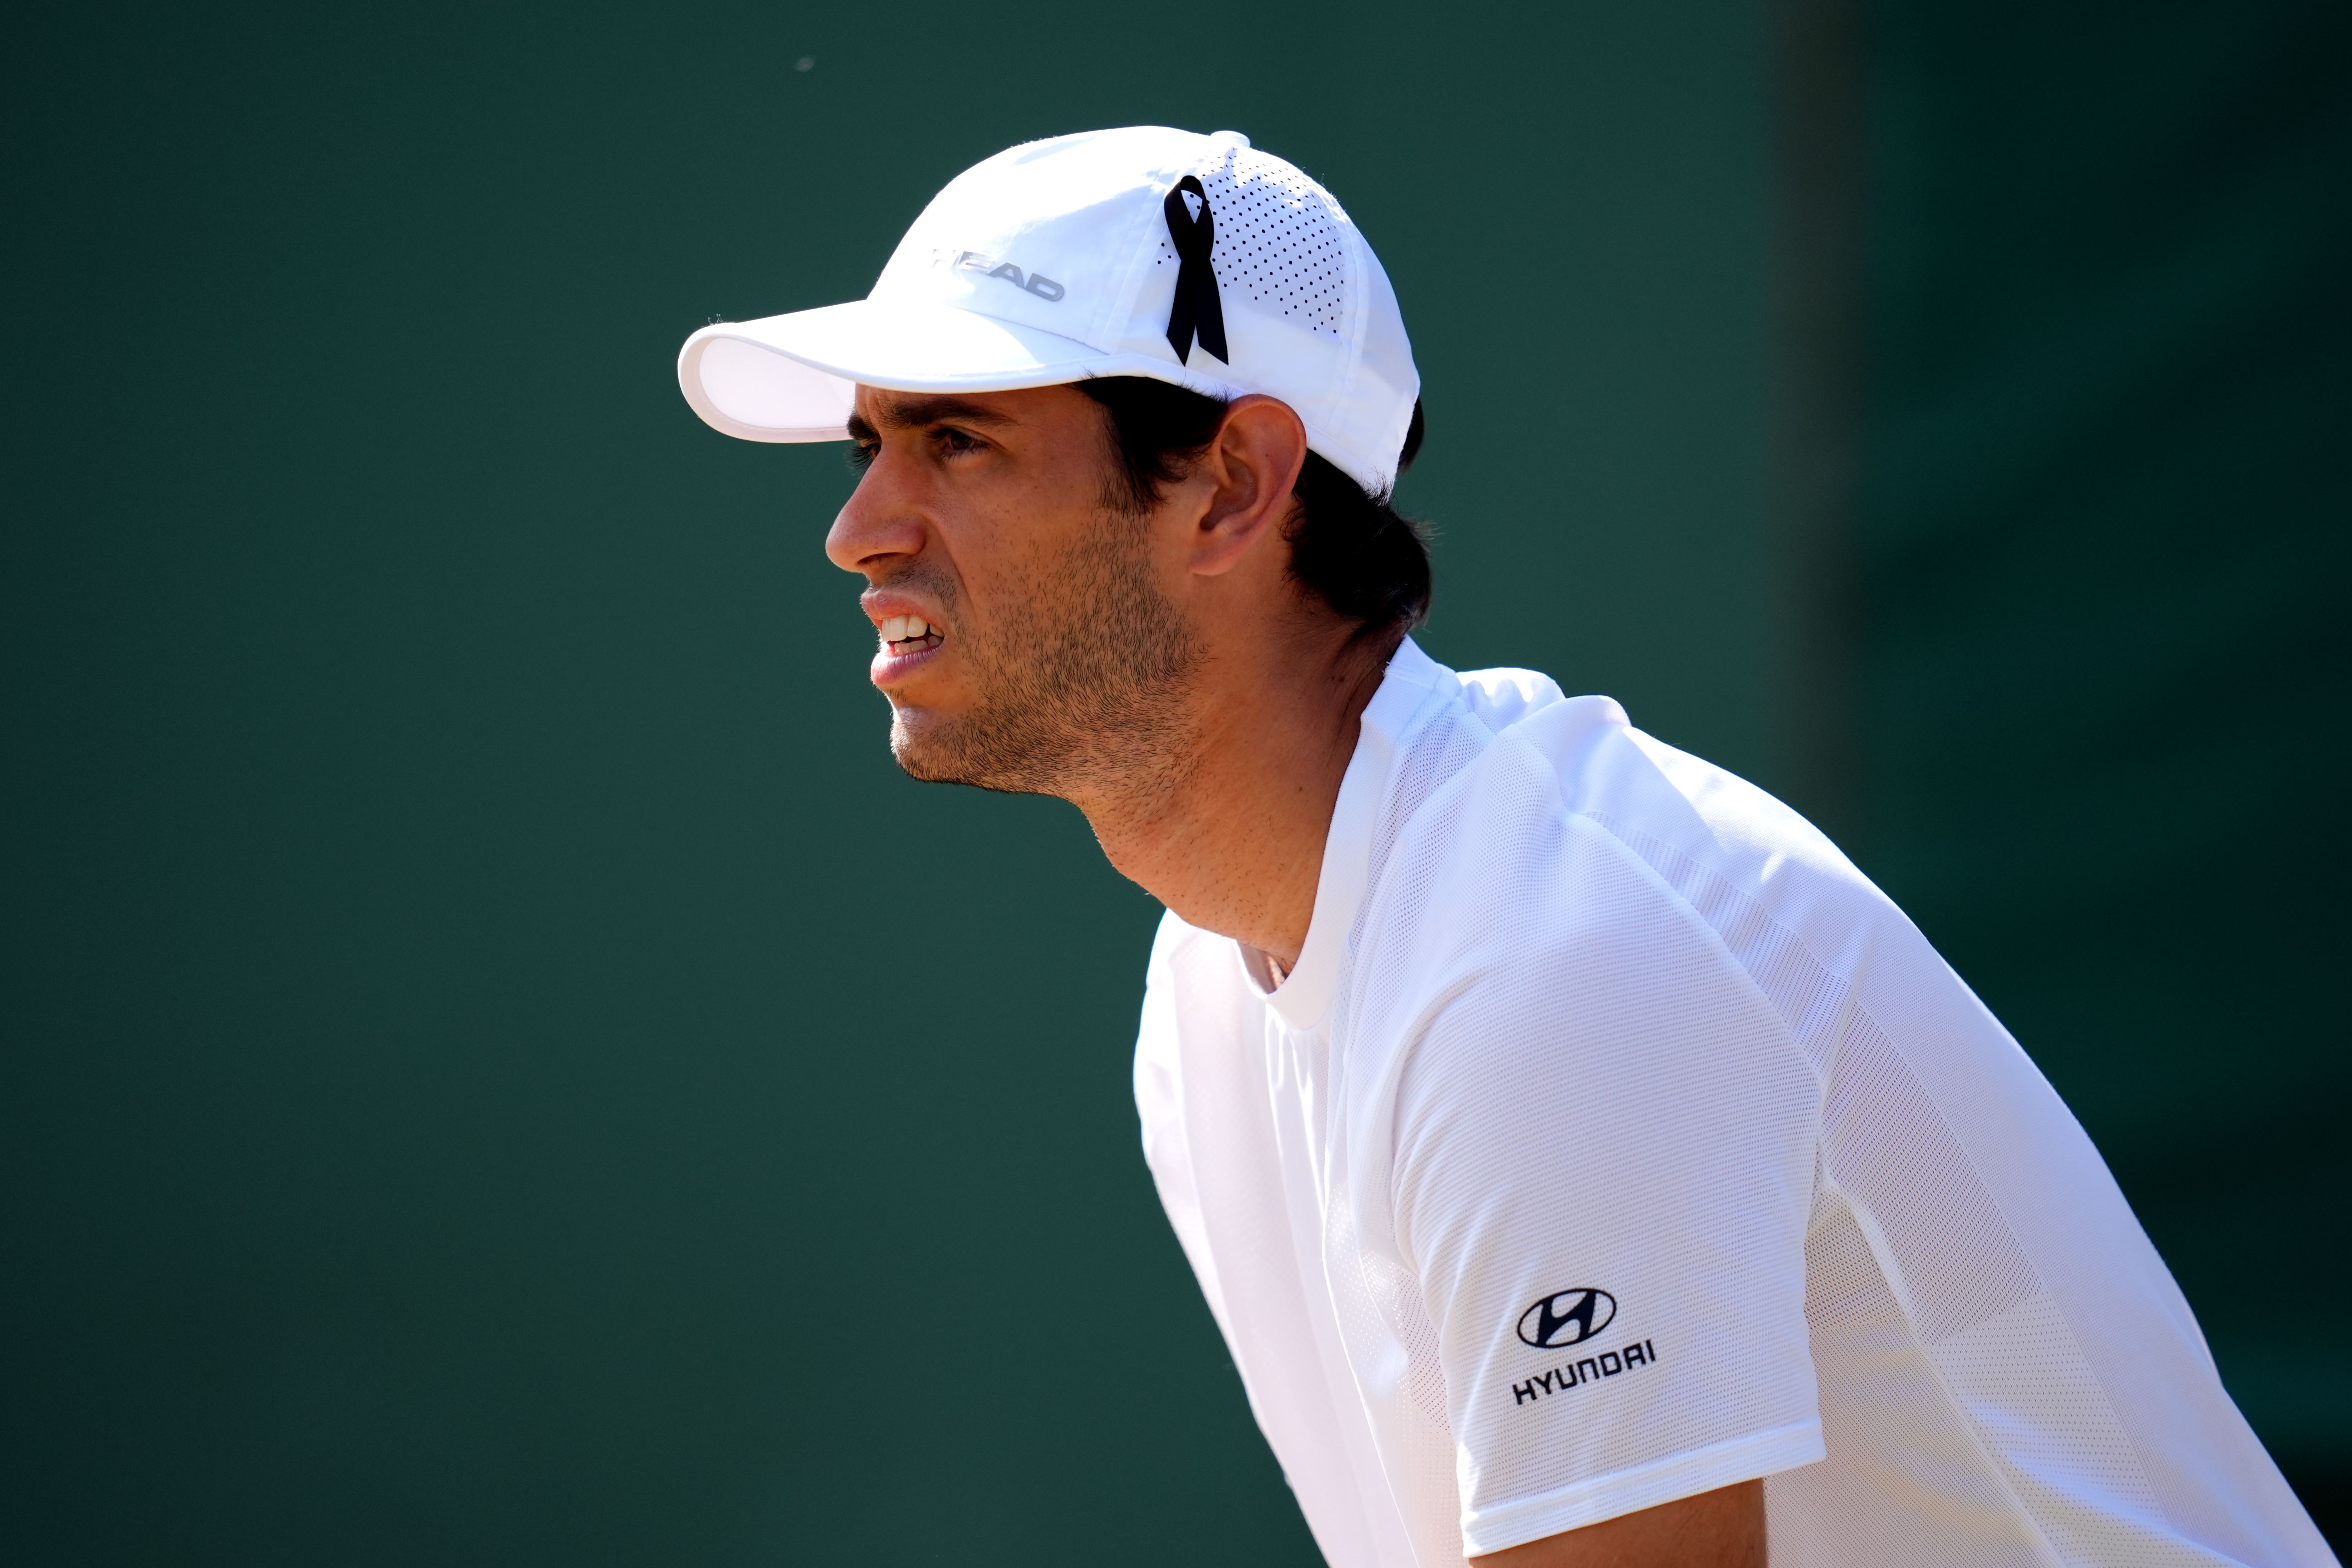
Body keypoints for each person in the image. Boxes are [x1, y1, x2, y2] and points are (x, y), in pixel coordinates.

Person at [674, 127, 2332, 1568]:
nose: (857, 531)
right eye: (870, 447)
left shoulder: (1563, 969)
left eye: (956, 441)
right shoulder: (1210, 989)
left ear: (1234, 486)